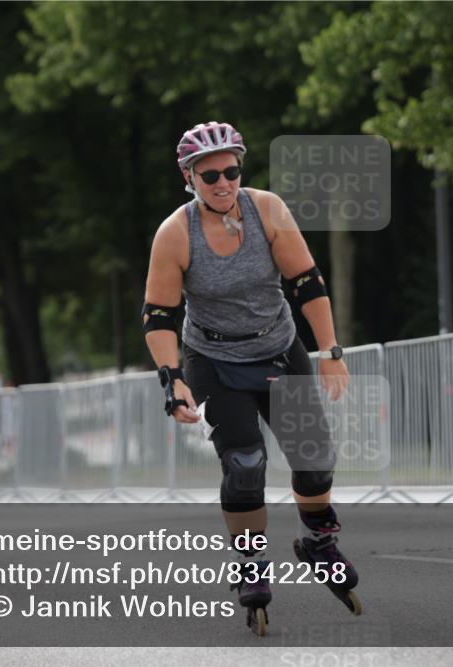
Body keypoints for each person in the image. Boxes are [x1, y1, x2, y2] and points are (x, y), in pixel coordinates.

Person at [141, 121, 362, 635]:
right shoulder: (176, 233)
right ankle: (250, 563)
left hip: (279, 349)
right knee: (245, 464)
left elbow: (306, 282)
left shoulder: (267, 210)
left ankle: (318, 541)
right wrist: (172, 380)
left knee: (314, 460)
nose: (222, 183)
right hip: (214, 361)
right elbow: (159, 315)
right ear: (189, 178)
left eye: (231, 171)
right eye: (209, 175)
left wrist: (330, 350)